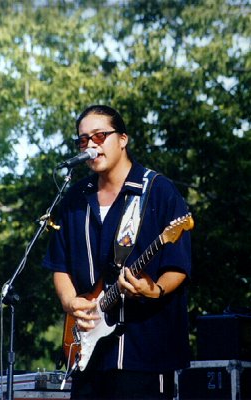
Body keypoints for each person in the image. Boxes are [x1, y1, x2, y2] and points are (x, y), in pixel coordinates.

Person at [43, 104, 192, 400]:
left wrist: (154, 289)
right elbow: (59, 264)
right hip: (87, 352)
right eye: (83, 140)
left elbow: (178, 266)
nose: (91, 145)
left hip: (142, 352)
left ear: (123, 139)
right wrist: (71, 303)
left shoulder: (157, 190)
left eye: (99, 136)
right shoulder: (74, 198)